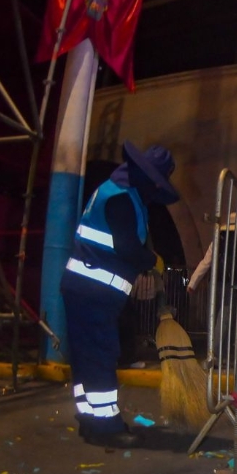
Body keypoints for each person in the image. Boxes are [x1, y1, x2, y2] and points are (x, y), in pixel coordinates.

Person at [62, 141, 180, 448]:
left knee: (86, 356)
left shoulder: (115, 192)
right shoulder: (122, 200)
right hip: (94, 290)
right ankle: (107, 426)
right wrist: (152, 262)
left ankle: (89, 420)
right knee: (101, 355)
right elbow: (126, 247)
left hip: (82, 287)